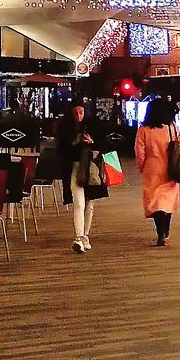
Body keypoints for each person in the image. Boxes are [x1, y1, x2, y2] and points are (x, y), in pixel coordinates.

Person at [135, 97, 180, 246]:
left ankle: (160, 232)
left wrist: (141, 167)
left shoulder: (143, 130)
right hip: (170, 168)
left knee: (155, 203)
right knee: (167, 202)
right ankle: (166, 230)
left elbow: (140, 152)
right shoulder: (172, 127)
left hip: (151, 169)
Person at [56, 99, 103, 254]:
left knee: (89, 205)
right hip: (75, 167)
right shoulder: (65, 129)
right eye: (75, 113)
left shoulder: (93, 125)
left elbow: (105, 145)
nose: (78, 116)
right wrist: (74, 142)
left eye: (81, 112)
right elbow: (61, 151)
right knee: (79, 204)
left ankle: (84, 236)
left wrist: (92, 141)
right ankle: (79, 237)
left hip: (92, 168)